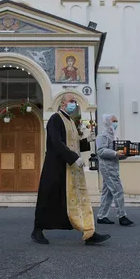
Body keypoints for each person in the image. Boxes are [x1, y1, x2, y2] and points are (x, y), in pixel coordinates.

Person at [31, 93, 111, 245]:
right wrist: (73, 157)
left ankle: (88, 232)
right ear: (62, 104)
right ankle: (37, 230)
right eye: (71, 101)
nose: (74, 104)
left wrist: (88, 140)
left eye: (75, 101)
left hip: (70, 168)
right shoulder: (55, 119)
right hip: (56, 167)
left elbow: (73, 144)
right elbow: (56, 142)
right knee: (49, 198)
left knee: (77, 200)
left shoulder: (71, 122)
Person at [95, 114, 134, 226]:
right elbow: (101, 151)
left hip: (113, 166)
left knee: (107, 192)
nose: (116, 123)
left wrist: (126, 154)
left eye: (116, 120)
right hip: (107, 167)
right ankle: (122, 216)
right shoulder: (102, 136)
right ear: (107, 122)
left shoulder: (114, 137)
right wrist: (115, 153)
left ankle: (102, 216)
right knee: (118, 190)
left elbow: (117, 154)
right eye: (113, 121)